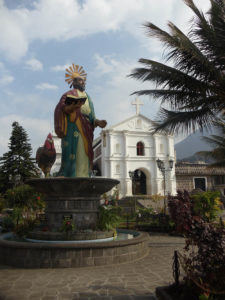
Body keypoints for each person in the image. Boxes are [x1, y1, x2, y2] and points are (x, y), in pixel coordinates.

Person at [54, 64, 107, 177]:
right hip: (73, 127)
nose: (83, 83)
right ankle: (69, 174)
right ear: (74, 83)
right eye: (80, 81)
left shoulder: (88, 97)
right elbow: (61, 108)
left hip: (86, 128)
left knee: (85, 152)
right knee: (72, 151)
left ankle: (84, 174)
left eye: (84, 81)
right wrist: (72, 107)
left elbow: (92, 116)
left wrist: (98, 122)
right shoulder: (68, 94)